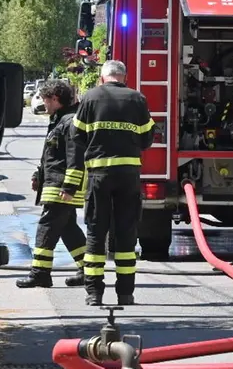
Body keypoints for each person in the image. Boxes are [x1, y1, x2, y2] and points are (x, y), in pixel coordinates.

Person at [62, 60, 155, 306]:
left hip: (99, 175)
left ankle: (94, 294)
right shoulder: (137, 99)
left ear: (103, 78)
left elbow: (76, 135)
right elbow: (147, 138)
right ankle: (125, 293)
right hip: (128, 175)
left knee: (95, 232)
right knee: (126, 234)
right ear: (124, 77)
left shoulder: (91, 98)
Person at [16, 80, 88, 289]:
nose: (42, 103)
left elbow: (76, 159)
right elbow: (52, 156)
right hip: (55, 183)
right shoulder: (59, 120)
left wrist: (69, 188)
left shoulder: (69, 122)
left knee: (46, 227)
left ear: (55, 99)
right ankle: (87, 270)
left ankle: (40, 273)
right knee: (67, 228)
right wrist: (38, 175)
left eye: (44, 99)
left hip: (60, 187)